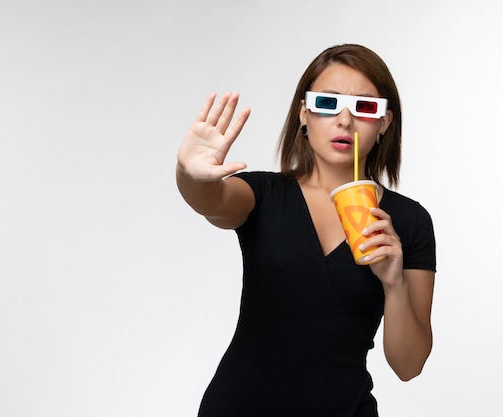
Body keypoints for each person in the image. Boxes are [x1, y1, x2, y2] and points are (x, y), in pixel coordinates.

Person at [175, 44, 436, 416]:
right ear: (304, 114)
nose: (344, 121)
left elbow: (408, 366)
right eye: (327, 103)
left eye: (364, 107)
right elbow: (211, 200)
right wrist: (190, 173)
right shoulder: (262, 195)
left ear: (384, 123)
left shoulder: (409, 221)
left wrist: (394, 284)